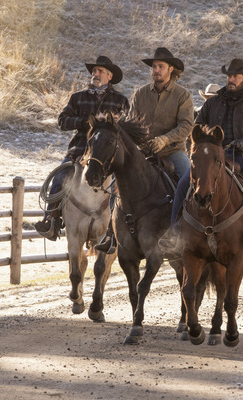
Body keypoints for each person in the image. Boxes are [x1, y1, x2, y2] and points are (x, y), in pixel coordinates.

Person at [159, 58, 243, 256]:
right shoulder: (213, 103)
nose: (231, 80)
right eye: (229, 76)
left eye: (235, 76)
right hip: (211, 155)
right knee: (184, 183)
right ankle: (175, 229)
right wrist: (204, 142)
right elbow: (198, 126)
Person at [94, 47, 194, 253]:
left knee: (189, 182)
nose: (156, 70)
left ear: (171, 70)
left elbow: (186, 126)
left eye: (160, 67)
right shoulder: (140, 94)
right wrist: (140, 144)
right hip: (145, 153)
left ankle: (187, 231)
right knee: (117, 184)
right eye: (154, 67)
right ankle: (112, 235)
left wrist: (164, 140)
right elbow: (132, 123)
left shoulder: (182, 96)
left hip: (173, 152)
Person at [34, 56, 129, 241]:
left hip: (108, 154)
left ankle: (117, 226)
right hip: (78, 149)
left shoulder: (120, 101)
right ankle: (51, 219)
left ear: (110, 76)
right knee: (59, 177)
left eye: (100, 71)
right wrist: (83, 122)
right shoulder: (78, 98)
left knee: (122, 184)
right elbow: (62, 121)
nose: (95, 74)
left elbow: (126, 128)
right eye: (94, 71)